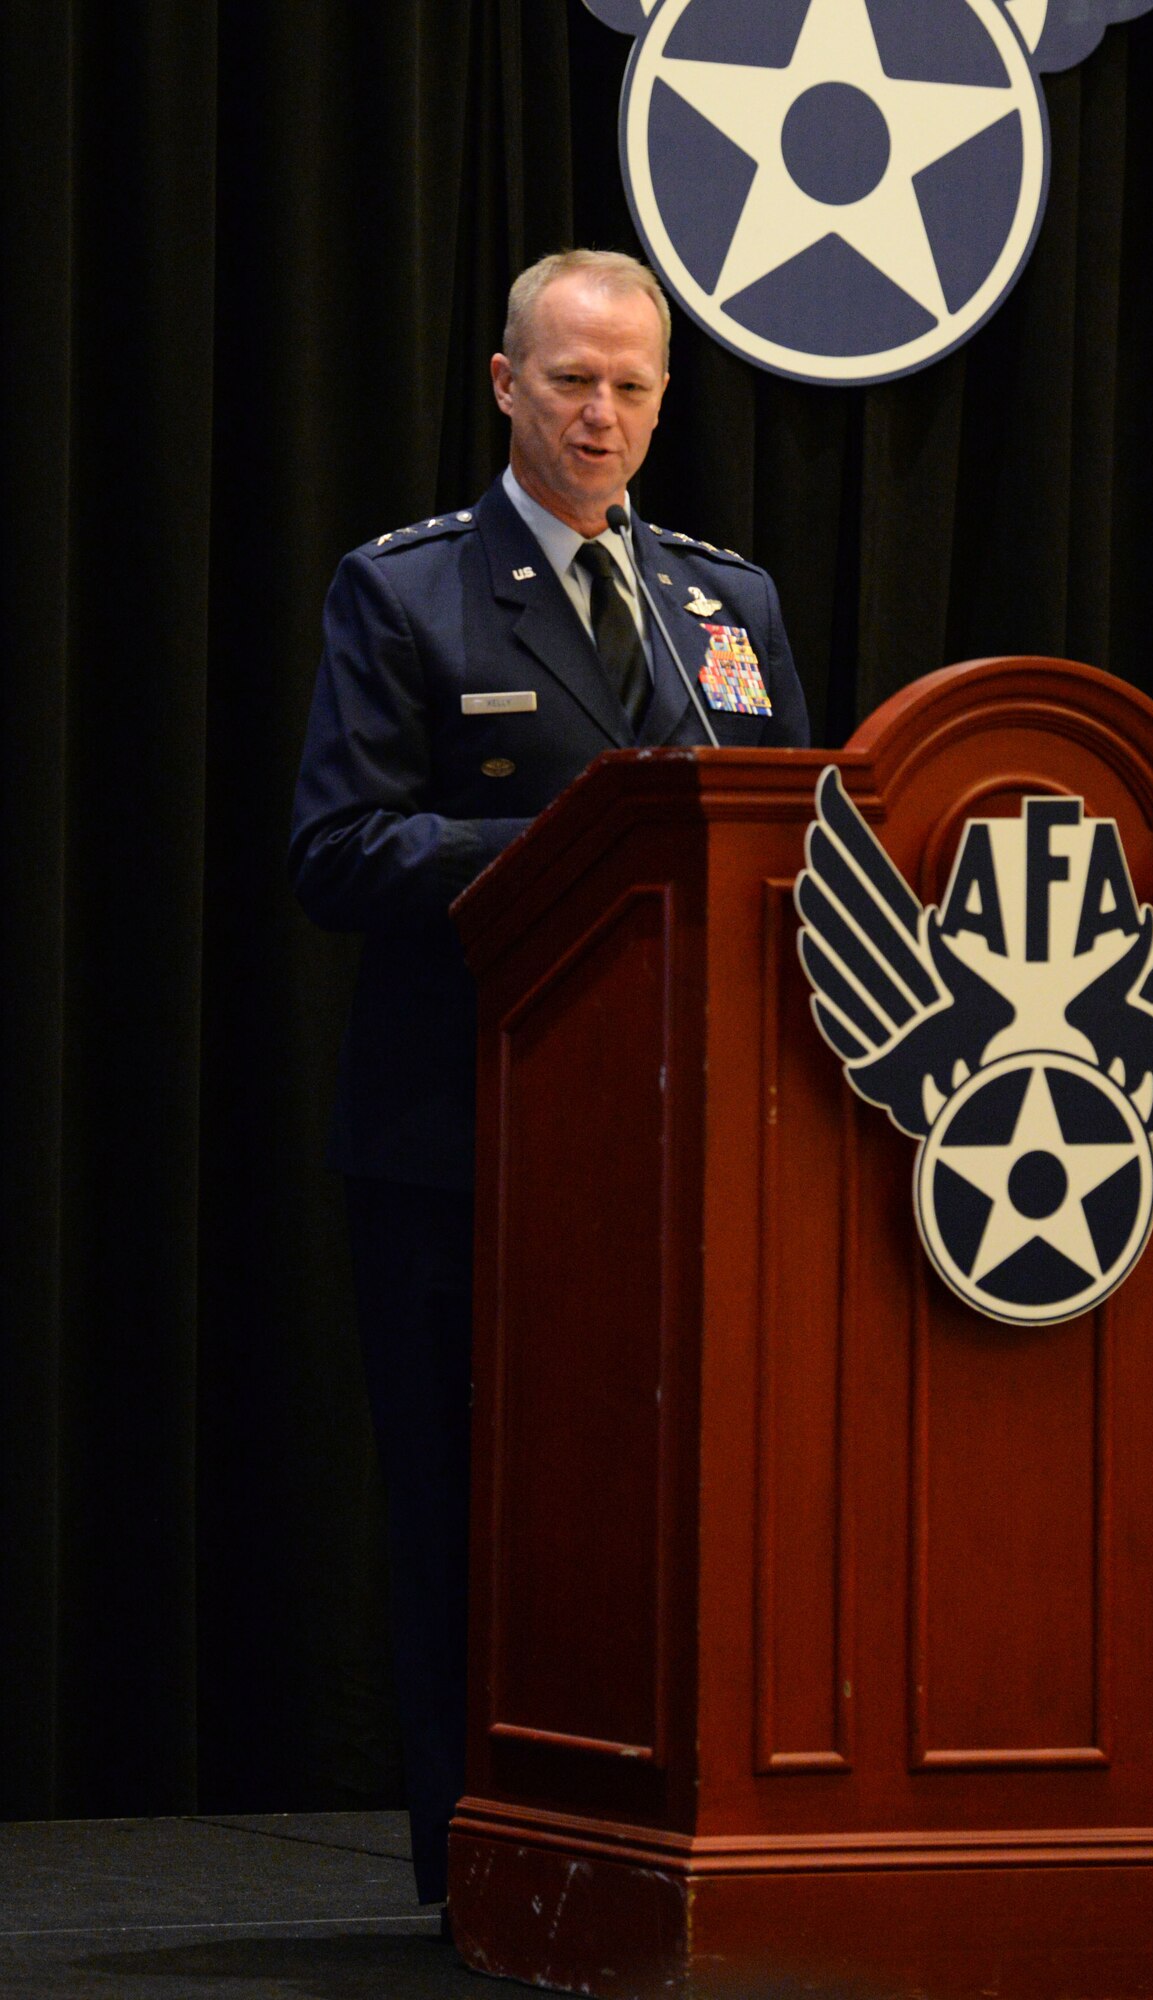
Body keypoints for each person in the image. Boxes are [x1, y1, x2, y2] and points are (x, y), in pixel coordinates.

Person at [289, 248, 810, 1912]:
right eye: (570, 380)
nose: (600, 414)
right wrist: (582, 856)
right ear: (505, 383)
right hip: (468, 1141)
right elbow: (341, 849)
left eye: (631, 387)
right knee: (466, 1510)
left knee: (664, 1509)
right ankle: (477, 1856)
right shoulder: (406, 595)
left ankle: (656, 1834)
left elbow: (798, 841)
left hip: (685, 1148)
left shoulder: (730, 604)